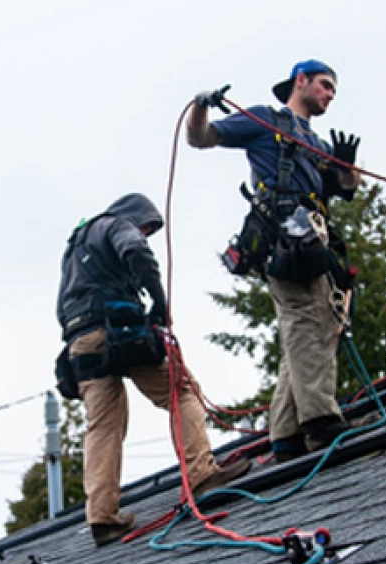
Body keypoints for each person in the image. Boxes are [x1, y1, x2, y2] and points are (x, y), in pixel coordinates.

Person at [186, 59, 363, 463]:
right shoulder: (265, 121)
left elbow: (346, 189)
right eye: (324, 85)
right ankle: (319, 420)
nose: (330, 95)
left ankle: (286, 432)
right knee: (308, 319)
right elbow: (201, 138)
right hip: (285, 232)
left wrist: (346, 167)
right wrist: (201, 106)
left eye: (333, 90)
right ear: (300, 81)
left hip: (312, 233)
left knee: (311, 321)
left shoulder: (317, 144)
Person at [56, 193, 252, 546]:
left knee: (103, 424)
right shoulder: (115, 224)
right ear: (133, 216)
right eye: (145, 227)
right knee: (180, 390)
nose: (145, 234)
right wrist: (158, 303)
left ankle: (102, 516)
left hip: (80, 343)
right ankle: (201, 473)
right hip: (118, 331)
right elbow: (136, 252)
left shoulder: (75, 246)